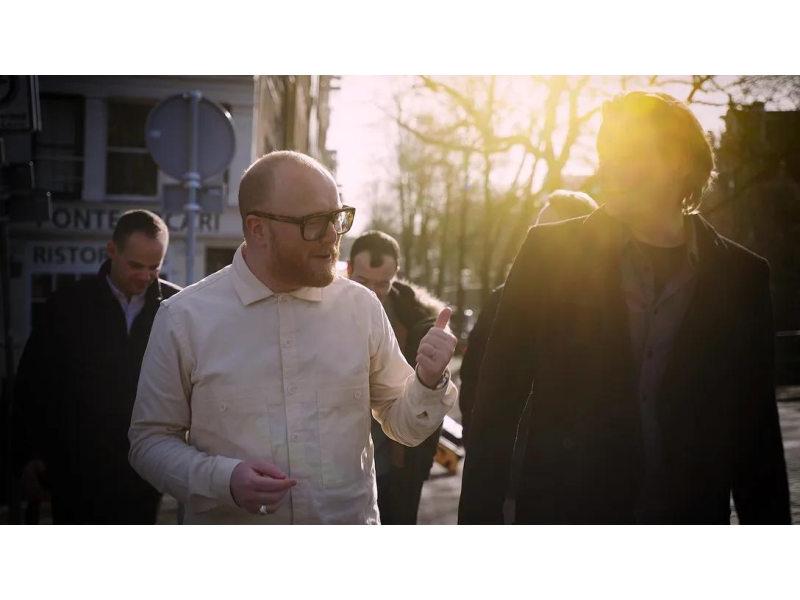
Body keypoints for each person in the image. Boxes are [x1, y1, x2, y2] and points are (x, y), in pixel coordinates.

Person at [459, 91, 791, 524]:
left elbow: (755, 432)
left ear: (680, 162)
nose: (609, 166)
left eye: (629, 151)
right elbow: (497, 404)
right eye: (605, 151)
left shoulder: (742, 277)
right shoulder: (549, 254)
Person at [128, 151, 458, 525]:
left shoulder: (361, 308)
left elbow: (405, 425)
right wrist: (223, 480)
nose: (332, 236)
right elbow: (149, 443)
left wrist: (428, 381)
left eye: (336, 217)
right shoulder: (184, 319)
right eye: (314, 222)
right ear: (258, 229)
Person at [14, 210, 180, 524]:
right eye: (135, 265)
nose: (145, 276)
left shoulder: (175, 308)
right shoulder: (68, 304)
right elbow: (33, 382)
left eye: (154, 267)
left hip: (142, 473)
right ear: (112, 250)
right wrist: (27, 454)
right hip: (75, 469)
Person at [459, 190, 599, 445]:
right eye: (535, 231)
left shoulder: (607, 304)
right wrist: (478, 440)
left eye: (550, 232)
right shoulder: (503, 300)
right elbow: (474, 378)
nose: (537, 242)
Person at [348, 230, 447, 524]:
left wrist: (422, 461)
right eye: (363, 282)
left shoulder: (418, 323)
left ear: (396, 276)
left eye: (381, 284)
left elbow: (430, 400)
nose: (371, 292)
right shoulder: (323, 311)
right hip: (342, 461)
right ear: (348, 269)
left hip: (397, 461)